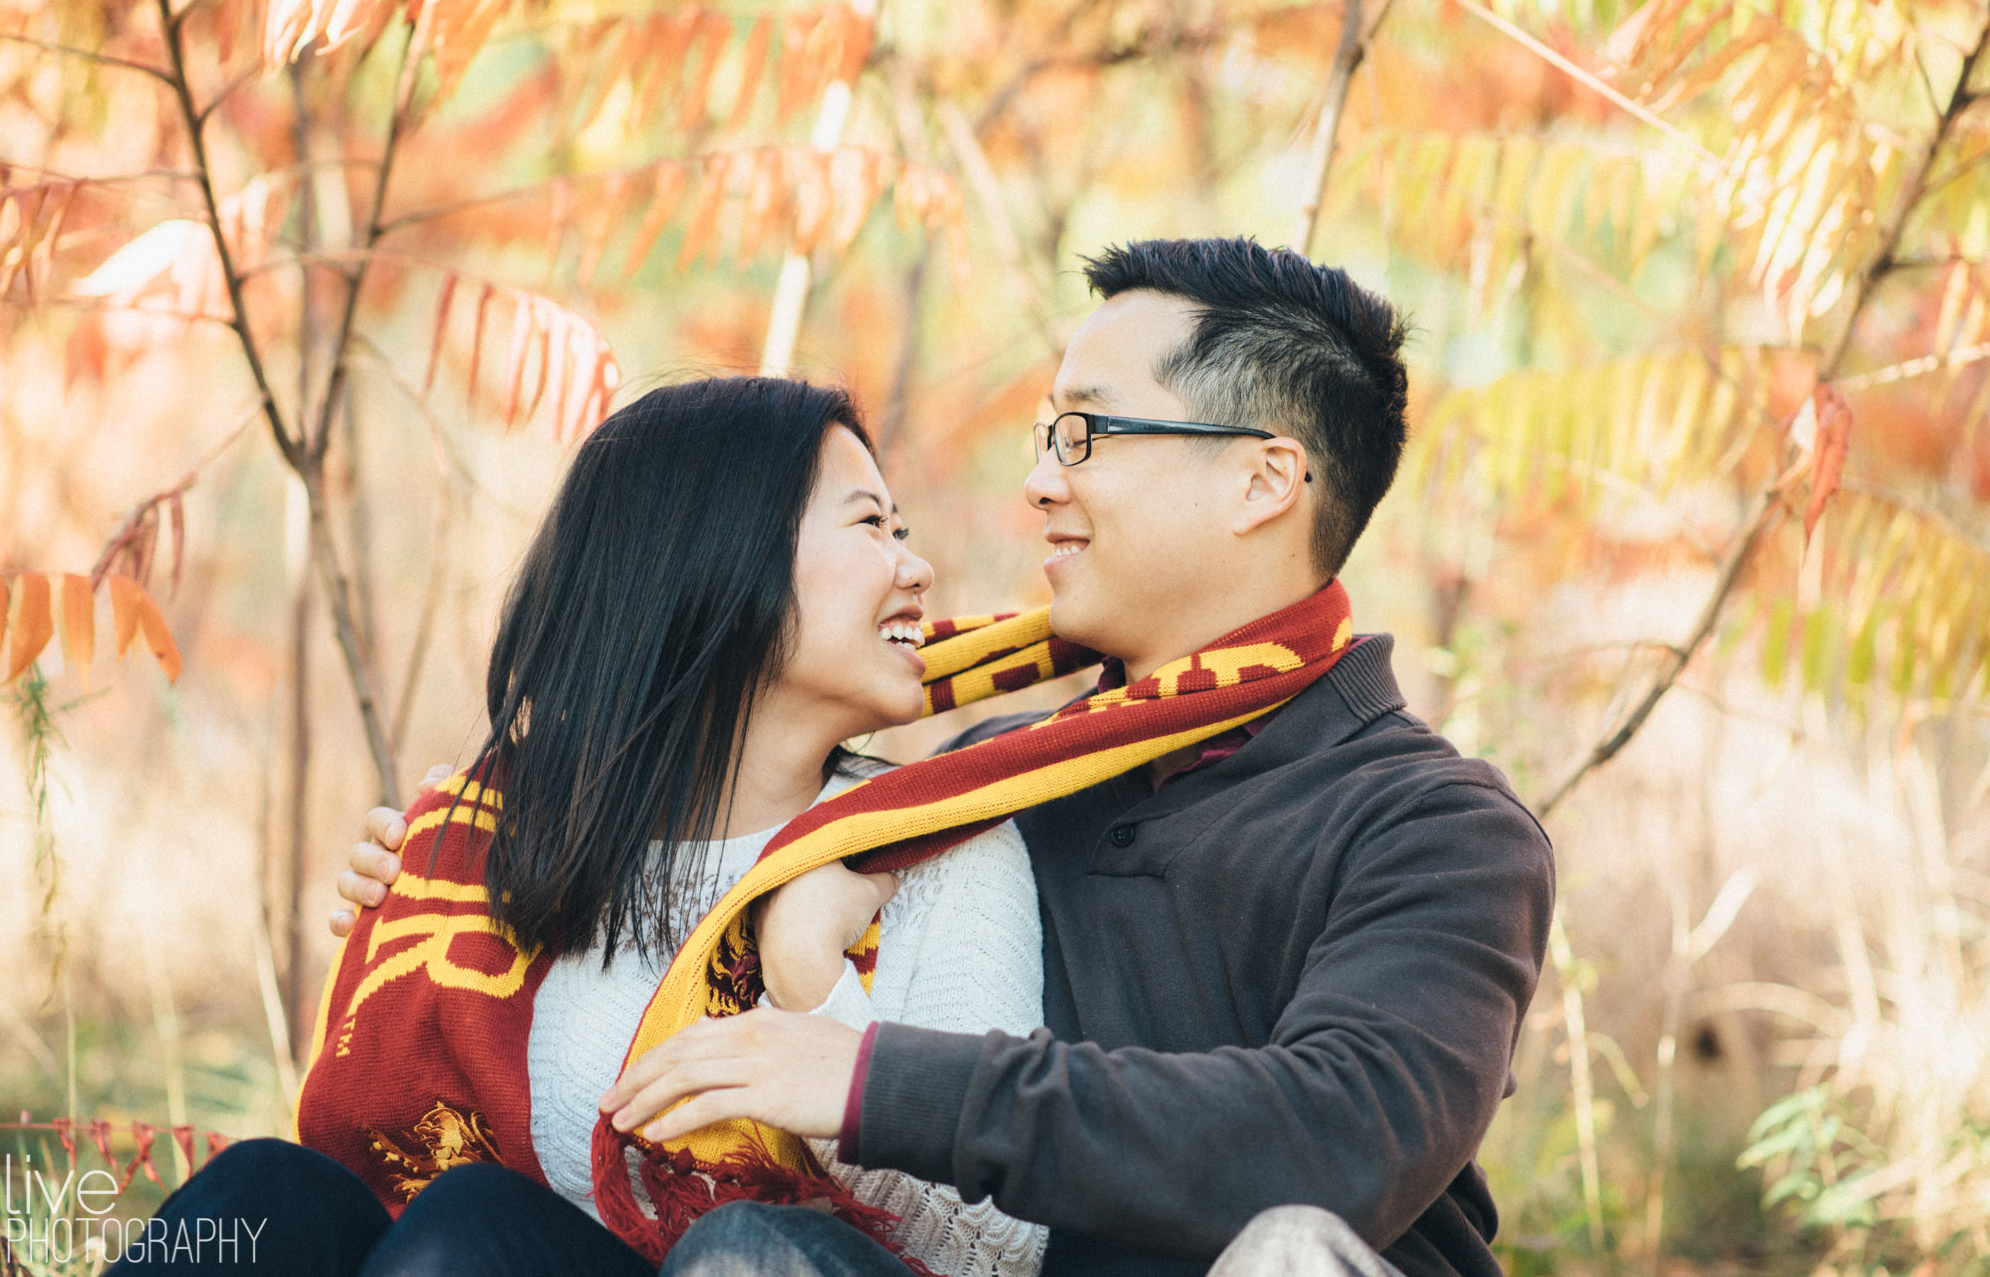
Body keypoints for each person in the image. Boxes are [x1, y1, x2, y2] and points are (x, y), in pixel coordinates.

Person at [342, 238, 1557, 1277]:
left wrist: (870, 1080)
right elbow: (717, 826)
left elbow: (1332, 1141)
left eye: (1085, 436)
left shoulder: (1433, 826)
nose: (1038, 484)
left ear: (1260, 479)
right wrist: (467, 873)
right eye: (1042, 437)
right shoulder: (985, 776)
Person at [120, 378, 1049, 1277]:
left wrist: (810, 973)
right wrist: (413, 872)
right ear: (720, 555)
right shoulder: (521, 842)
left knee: (471, 1226)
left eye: (905, 530)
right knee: (265, 1193)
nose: (915, 566)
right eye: (871, 525)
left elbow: (993, 1250)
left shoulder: (931, 847)